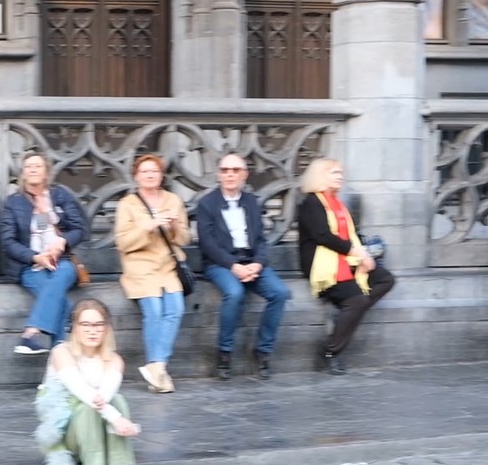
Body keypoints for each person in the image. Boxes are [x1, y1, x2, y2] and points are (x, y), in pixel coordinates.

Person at [34, 298, 141, 465]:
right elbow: (82, 391)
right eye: (85, 325)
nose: (92, 331)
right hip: (70, 436)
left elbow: (106, 395)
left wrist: (115, 415)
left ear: (107, 328)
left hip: (100, 426)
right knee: (86, 407)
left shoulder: (114, 359)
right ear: (74, 327)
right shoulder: (61, 353)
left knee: (116, 399)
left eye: (98, 325)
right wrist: (117, 419)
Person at [297, 158, 396, 375]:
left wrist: (364, 254)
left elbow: (351, 234)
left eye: (340, 172)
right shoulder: (311, 203)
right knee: (357, 300)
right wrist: (358, 255)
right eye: (334, 172)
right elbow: (323, 236)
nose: (340, 176)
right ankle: (330, 352)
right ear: (320, 176)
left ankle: (348, 311)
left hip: (346, 258)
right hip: (322, 264)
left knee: (385, 279)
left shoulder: (337, 203)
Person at [196, 154, 291, 380]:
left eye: (236, 170)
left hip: (252, 261)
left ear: (244, 175)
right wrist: (233, 266)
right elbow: (207, 243)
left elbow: (260, 240)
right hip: (221, 263)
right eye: (226, 170)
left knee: (280, 293)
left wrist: (258, 263)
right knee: (235, 292)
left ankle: (263, 351)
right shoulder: (207, 204)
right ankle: (225, 353)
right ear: (218, 174)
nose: (230, 174)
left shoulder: (251, 201)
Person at [113, 154, 190, 394]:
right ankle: (158, 371)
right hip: (140, 267)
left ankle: (157, 365)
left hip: (168, 267)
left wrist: (174, 226)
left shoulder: (173, 200)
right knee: (154, 311)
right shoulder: (128, 204)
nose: (150, 175)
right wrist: (150, 225)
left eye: (154, 171)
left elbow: (186, 239)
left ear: (161, 175)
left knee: (175, 309)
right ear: (136, 177)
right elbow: (123, 242)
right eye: (144, 171)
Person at [0, 152, 88, 355]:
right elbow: (8, 242)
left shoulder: (60, 195)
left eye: (38, 166)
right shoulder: (14, 202)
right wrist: (35, 257)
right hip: (31, 265)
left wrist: (61, 241)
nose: (33, 170)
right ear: (22, 173)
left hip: (62, 260)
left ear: (46, 171)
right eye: (28, 166)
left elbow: (79, 229)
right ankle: (59, 369)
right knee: (62, 304)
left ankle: (31, 332)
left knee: (62, 274)